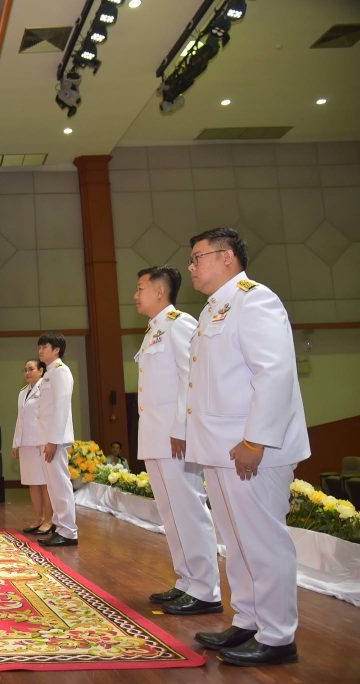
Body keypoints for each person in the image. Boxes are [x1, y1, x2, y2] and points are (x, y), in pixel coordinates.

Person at [185, 227, 308, 667]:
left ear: (228, 257)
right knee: (237, 542)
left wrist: (256, 439)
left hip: (254, 448)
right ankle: (249, 620)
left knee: (263, 541)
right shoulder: (213, 310)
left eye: (199, 256)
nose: (192, 267)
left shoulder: (255, 300)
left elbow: (273, 373)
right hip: (222, 449)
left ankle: (278, 636)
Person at [133, 266, 221, 616]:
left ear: (160, 291)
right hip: (156, 436)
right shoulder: (154, 329)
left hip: (175, 437)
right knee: (171, 513)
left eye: (140, 288)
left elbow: (191, 377)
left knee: (189, 509)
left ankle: (206, 590)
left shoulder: (179, 323)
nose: (135, 295)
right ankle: (187, 580)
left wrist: (182, 428)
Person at [36, 332, 78, 547]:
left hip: (56, 440)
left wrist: (53, 440)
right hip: (48, 438)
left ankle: (69, 531)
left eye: (45, 346)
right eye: (40, 347)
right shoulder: (49, 373)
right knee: (53, 486)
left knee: (60, 484)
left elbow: (61, 408)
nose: (40, 350)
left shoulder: (61, 371)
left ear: (57, 350)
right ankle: (60, 527)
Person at [12, 359, 54, 535]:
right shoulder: (23, 392)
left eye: (31, 369)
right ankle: (37, 518)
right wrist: (16, 443)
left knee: (44, 483)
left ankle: (49, 520)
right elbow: (20, 419)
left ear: (41, 371)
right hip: (26, 443)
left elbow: (49, 417)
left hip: (40, 443)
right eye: (25, 369)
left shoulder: (46, 389)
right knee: (32, 483)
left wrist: (50, 441)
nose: (27, 373)